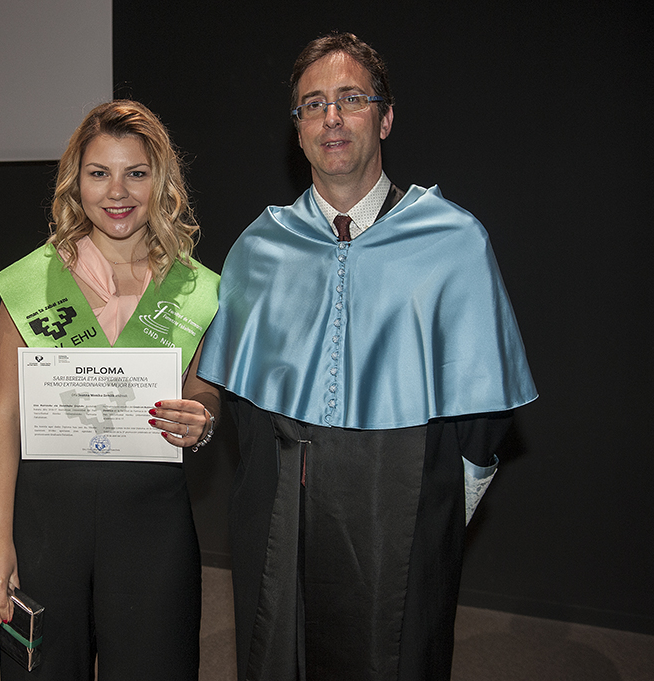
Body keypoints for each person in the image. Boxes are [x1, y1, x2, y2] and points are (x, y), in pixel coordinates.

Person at [197, 33, 538, 681]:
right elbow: (240, 404)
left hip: (403, 511)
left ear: (384, 118)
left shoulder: (452, 241)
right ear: (298, 130)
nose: (331, 117)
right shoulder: (260, 249)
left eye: (351, 99)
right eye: (313, 104)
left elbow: (486, 414)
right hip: (282, 515)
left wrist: (442, 507)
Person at [0, 100, 220, 680]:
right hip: (45, 526)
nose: (118, 192)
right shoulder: (31, 283)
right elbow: (4, 418)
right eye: (99, 173)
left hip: (153, 525)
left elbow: (204, 394)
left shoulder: (195, 290)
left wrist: (203, 420)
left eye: (136, 173)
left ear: (161, 182)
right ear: (76, 182)